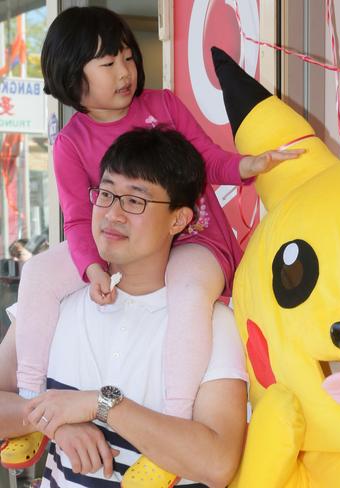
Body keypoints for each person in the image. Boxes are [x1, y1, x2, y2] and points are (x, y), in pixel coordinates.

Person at [6, 5, 299, 482]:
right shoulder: (71, 144)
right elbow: (80, 220)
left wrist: (244, 167)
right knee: (39, 273)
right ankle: (34, 405)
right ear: (72, 78)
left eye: (127, 57)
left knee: (187, 294)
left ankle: (171, 437)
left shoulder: (162, 106)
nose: (125, 72)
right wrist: (51, 418)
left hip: (198, 238)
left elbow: (206, 160)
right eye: (108, 64)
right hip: (98, 254)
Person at [0, 127, 248, 488]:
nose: (112, 214)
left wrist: (102, 405)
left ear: (179, 219)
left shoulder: (211, 323)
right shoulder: (55, 303)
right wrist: (52, 419)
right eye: (105, 194)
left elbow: (217, 463)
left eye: (135, 201)